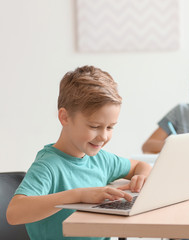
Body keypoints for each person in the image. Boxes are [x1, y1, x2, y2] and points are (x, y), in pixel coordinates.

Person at [6, 66, 152, 240]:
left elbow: (140, 165)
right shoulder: (47, 166)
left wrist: (141, 177)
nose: (103, 136)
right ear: (65, 117)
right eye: (94, 126)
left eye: (110, 127)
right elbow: (14, 213)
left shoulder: (101, 159)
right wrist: (79, 195)